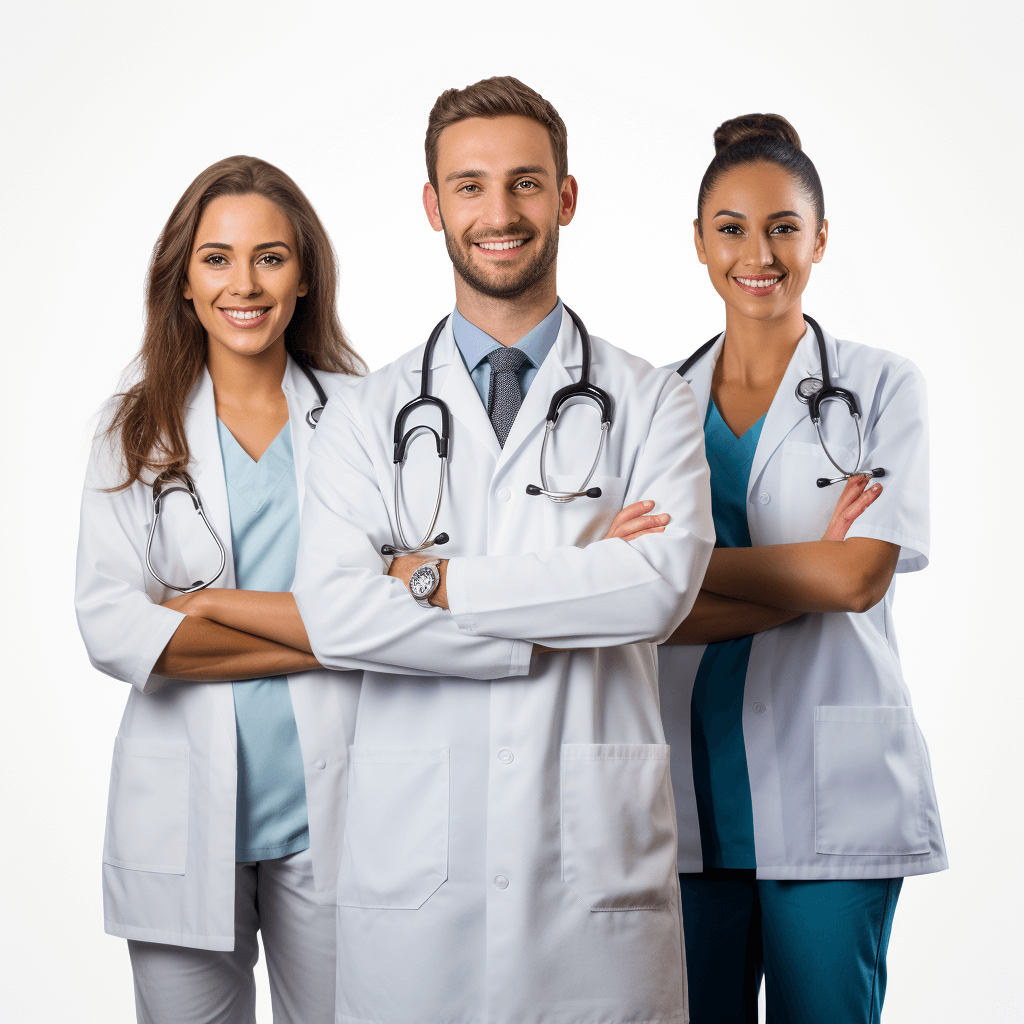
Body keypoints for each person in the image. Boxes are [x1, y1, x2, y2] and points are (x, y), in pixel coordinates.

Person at [288, 77, 714, 1024]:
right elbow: (336, 614)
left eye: (526, 183)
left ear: (565, 197)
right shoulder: (362, 416)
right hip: (416, 887)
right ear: (434, 207)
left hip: (589, 892)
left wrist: (433, 580)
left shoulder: (651, 402)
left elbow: (653, 591)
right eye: (470, 187)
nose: (500, 213)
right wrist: (567, 598)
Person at [658, 114, 947, 1023]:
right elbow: (638, 604)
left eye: (785, 227)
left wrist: (696, 574)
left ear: (821, 238)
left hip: (838, 801)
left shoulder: (881, 387)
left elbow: (858, 581)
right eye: (733, 227)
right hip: (685, 796)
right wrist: (807, 567)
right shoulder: (649, 403)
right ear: (699, 241)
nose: (761, 252)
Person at [75, 155, 366, 1024]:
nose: (245, 283)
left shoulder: (366, 420)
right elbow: (111, 625)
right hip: (182, 815)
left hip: (337, 811)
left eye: (271, 257)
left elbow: (415, 600)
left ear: (305, 275)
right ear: (185, 281)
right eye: (218, 258)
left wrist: (196, 615)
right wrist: (335, 636)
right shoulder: (132, 428)